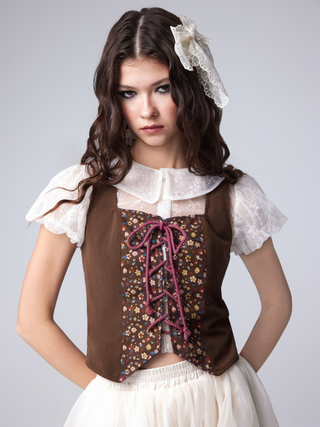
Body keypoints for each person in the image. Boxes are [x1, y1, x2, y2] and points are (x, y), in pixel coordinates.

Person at [17, 7, 292, 427]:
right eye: (129, 93)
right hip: (121, 406)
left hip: (216, 404)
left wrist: (238, 383)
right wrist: (100, 393)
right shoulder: (82, 191)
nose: (146, 110)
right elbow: (31, 318)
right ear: (114, 97)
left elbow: (277, 302)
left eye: (161, 88)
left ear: (189, 87)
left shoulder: (231, 194)